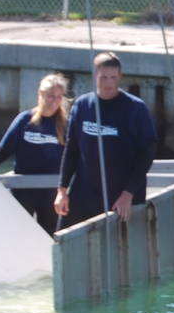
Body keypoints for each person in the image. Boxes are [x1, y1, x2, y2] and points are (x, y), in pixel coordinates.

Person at [55, 52, 159, 228]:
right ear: (95, 75)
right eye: (103, 77)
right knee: (63, 240)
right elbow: (71, 149)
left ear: (120, 77)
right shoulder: (82, 105)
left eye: (113, 77)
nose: (108, 83)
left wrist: (128, 194)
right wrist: (62, 190)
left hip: (121, 197)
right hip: (84, 192)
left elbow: (147, 153)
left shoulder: (135, 108)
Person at [0, 73, 69, 234]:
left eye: (59, 97)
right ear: (40, 94)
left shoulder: (66, 124)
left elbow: (74, 156)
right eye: (50, 96)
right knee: (20, 234)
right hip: (23, 190)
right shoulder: (25, 120)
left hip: (51, 193)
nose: (54, 101)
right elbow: (4, 150)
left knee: (50, 235)